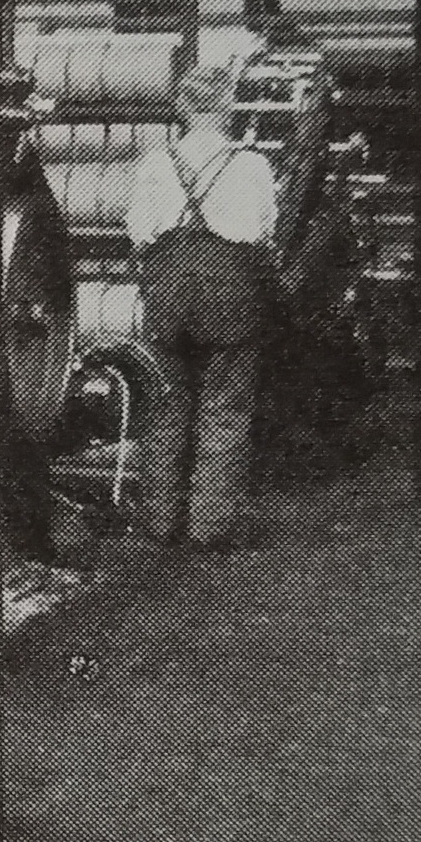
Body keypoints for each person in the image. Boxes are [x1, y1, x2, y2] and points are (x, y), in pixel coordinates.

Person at [122, 60, 278, 549]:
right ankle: (209, 528)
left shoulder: (153, 162)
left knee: (164, 403)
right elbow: (263, 232)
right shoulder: (252, 164)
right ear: (228, 105)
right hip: (231, 296)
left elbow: (138, 233)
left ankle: (159, 521)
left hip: (169, 294)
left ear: (181, 107)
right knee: (226, 408)